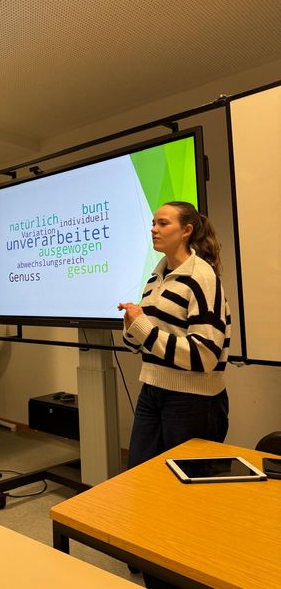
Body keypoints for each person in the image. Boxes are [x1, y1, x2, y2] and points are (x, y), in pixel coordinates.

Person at [118, 202, 230, 589]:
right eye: (152, 222)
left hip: (192, 400)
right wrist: (132, 326)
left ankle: (183, 572)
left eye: (162, 222)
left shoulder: (202, 276)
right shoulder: (157, 276)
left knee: (184, 500)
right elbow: (145, 342)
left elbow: (204, 355)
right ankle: (152, 561)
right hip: (153, 390)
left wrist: (144, 328)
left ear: (186, 231)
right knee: (143, 483)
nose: (153, 228)